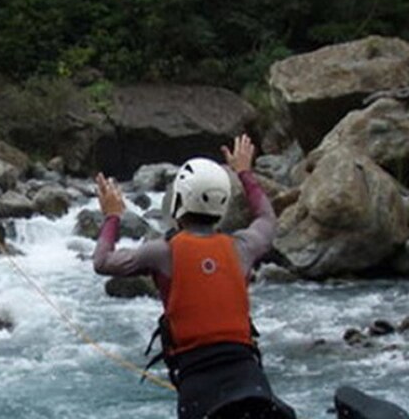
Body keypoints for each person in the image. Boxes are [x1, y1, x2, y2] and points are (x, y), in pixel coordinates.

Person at [93, 135, 295, 419]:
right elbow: (267, 219)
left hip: (198, 385)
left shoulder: (162, 252)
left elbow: (102, 262)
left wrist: (112, 216)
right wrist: (244, 173)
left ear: (179, 200)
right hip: (249, 376)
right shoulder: (243, 248)